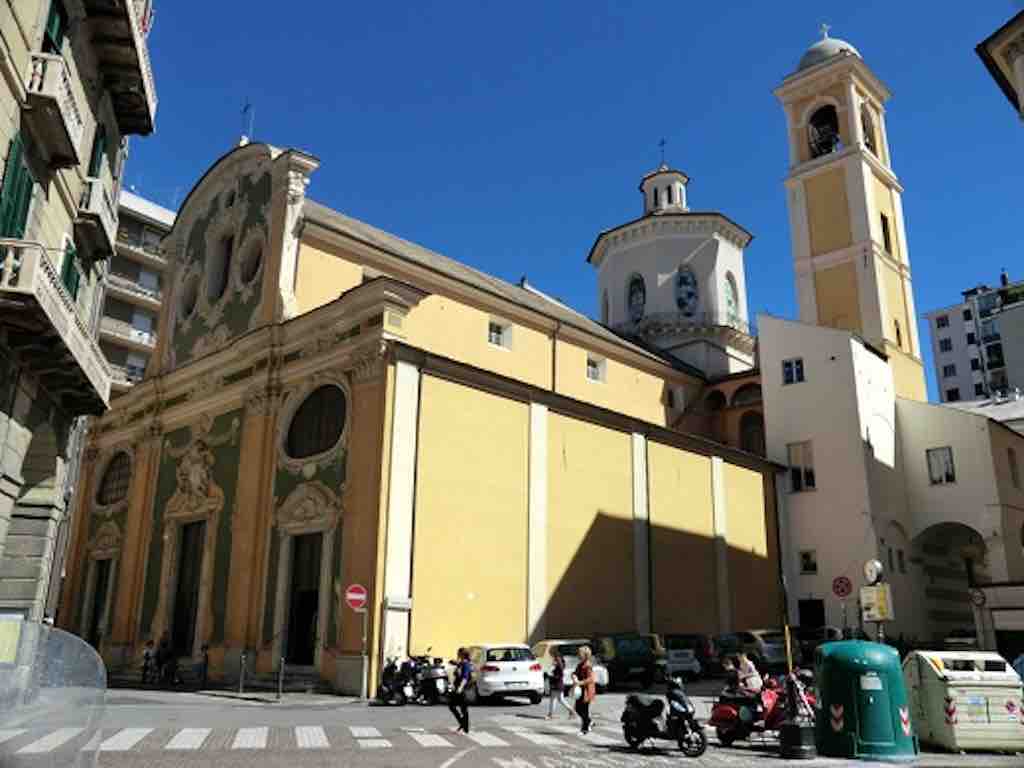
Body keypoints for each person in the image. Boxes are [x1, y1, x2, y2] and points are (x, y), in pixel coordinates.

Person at [572, 645, 597, 735]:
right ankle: (589, 722)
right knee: (578, 709)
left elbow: (591, 679)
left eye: (580, 653)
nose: (578, 655)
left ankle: (584, 729)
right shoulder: (580, 665)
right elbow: (575, 673)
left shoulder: (588, 666)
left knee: (584, 710)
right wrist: (574, 676)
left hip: (587, 691)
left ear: (585, 655)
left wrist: (580, 682)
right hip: (580, 691)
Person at [546, 647, 574, 720]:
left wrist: (551, 676)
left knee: (555, 699)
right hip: (558, 684)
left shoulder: (559, 665)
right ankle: (571, 711)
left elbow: (560, 675)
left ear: (558, 657)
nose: (553, 658)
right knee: (559, 699)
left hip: (557, 684)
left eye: (554, 657)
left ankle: (550, 714)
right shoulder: (559, 664)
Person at [449, 647, 472, 734]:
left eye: (458, 653)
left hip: (463, 688)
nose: (457, 654)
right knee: (452, 706)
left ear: (462, 654)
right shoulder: (461, 663)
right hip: (458, 687)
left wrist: (460, 688)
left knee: (463, 708)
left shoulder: (466, 664)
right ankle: (463, 725)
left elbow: (465, 677)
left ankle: (465, 727)